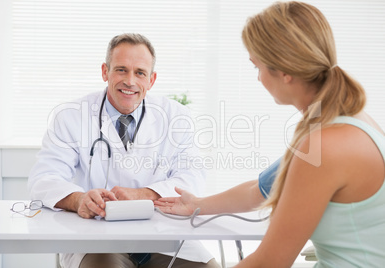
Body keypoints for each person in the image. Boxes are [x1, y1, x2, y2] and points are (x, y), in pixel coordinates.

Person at [155, 1, 385, 267]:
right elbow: (260, 189)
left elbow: (270, 262)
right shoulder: (351, 120)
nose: (258, 78)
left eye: (257, 67)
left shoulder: (326, 145)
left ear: (285, 72)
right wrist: (198, 204)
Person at [28, 33, 220, 268]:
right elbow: (44, 179)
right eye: (121, 70)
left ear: (151, 79)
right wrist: (79, 200)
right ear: (104, 72)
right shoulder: (70, 116)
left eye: (140, 72)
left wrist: (143, 194)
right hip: (95, 237)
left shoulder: (176, 117)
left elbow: (192, 178)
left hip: (162, 234)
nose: (130, 81)